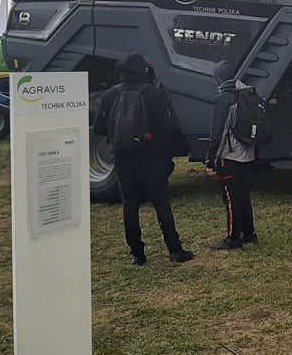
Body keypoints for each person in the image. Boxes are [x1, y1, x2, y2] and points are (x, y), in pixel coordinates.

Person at [93, 53, 193, 265]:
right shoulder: (152, 93)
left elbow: (100, 128)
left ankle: (137, 254)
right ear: (143, 70)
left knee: (130, 204)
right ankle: (175, 249)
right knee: (160, 202)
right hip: (150, 156)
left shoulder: (110, 94)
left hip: (122, 157)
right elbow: (167, 126)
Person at [205, 60, 257, 250]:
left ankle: (233, 238)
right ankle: (249, 233)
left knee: (230, 198)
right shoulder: (247, 93)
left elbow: (218, 131)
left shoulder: (224, 98)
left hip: (229, 155)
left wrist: (210, 159)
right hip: (247, 154)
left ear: (219, 77)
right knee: (244, 195)